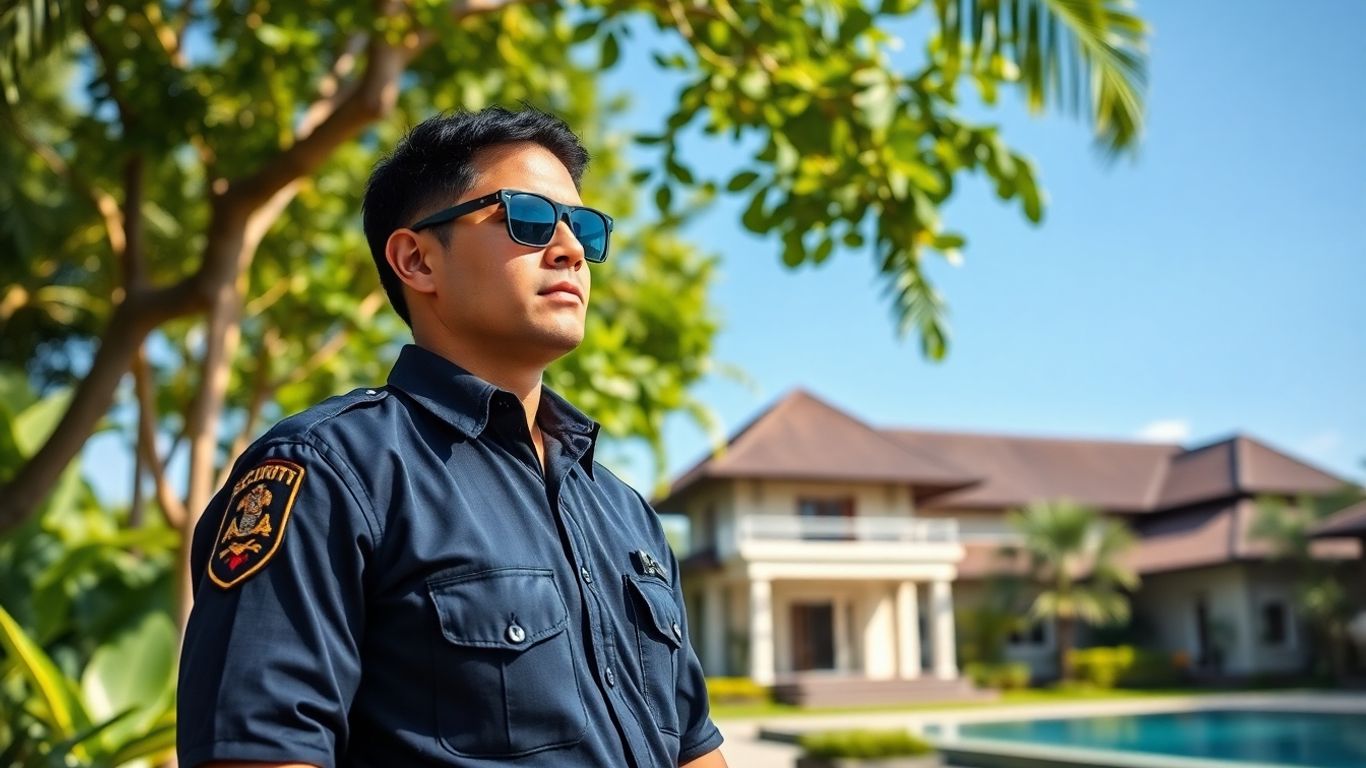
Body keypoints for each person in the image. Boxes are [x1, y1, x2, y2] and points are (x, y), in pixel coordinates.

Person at [177, 106, 728, 768]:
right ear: (417, 260)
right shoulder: (329, 473)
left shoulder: (623, 511)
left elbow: (695, 744)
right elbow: (259, 753)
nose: (571, 250)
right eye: (525, 217)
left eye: (583, 228)